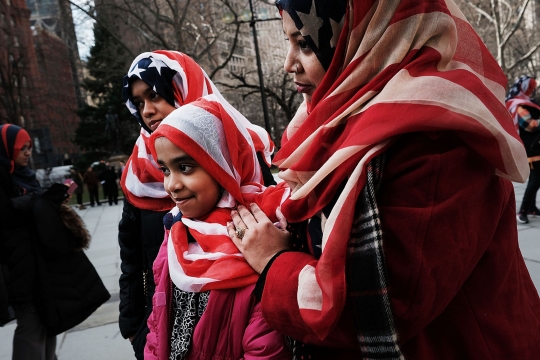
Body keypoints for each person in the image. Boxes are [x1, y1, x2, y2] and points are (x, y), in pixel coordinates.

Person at [227, 1, 540, 359]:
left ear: (366, 37)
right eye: (288, 42)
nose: (288, 64)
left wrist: (274, 263)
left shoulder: (433, 137)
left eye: (307, 44)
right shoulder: (334, 120)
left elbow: (386, 304)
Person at [118, 50, 276, 359]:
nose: (148, 111)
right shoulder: (138, 175)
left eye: (154, 95)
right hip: (162, 329)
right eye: (138, 103)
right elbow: (133, 260)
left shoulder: (240, 153)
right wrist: (136, 329)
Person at [144, 96, 291, 360]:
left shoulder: (255, 232)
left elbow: (265, 347)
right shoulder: (176, 231)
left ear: (223, 166)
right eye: (165, 170)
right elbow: (159, 322)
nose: (171, 185)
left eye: (185, 167)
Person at [0, 124, 110, 360]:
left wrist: (51, 199)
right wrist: (38, 200)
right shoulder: (4, 180)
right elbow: (8, 214)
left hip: (39, 267)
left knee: (48, 324)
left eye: (29, 147)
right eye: (22, 148)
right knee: (30, 327)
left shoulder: (25, 177)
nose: (28, 152)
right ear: (7, 149)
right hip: (18, 269)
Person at [506, 75, 540, 224]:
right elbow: (530, 125)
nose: (532, 91)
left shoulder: (528, 104)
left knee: (535, 178)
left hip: (536, 146)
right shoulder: (517, 105)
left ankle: (531, 207)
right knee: (536, 179)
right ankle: (523, 211)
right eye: (530, 88)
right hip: (532, 148)